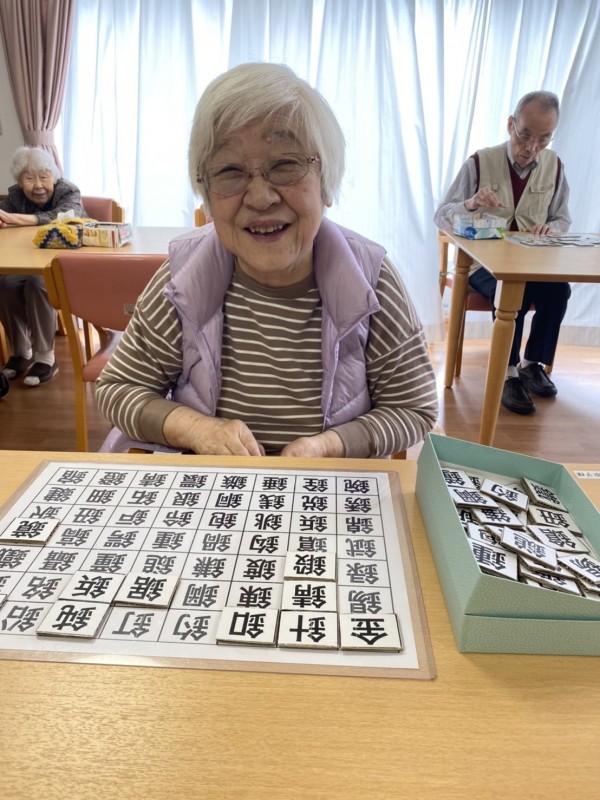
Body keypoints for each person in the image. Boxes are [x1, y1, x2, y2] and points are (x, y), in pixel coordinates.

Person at [97, 62, 438, 457]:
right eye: (229, 171)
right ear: (207, 196)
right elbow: (119, 388)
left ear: (326, 182)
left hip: (326, 484)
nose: (260, 198)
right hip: (213, 482)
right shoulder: (182, 275)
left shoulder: (371, 278)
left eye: (286, 165)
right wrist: (197, 430)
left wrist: (331, 446)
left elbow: (413, 408)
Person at [434, 90, 572, 415]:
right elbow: (441, 216)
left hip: (531, 264)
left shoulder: (555, 166)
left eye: (543, 139)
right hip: (482, 267)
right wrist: (470, 204)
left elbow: (562, 218)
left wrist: (551, 228)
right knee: (513, 293)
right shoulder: (479, 162)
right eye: (525, 135)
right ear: (511, 125)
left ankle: (531, 364)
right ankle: (508, 373)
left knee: (559, 291)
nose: (532, 147)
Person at [0, 146, 87, 387]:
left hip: (66, 267)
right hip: (27, 262)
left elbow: (61, 217)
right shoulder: (15, 197)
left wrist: (15, 219)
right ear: (20, 182)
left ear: (54, 177)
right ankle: (21, 352)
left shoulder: (68, 191)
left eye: (43, 177)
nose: (38, 185)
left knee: (38, 283)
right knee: (4, 283)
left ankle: (45, 356)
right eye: (29, 179)